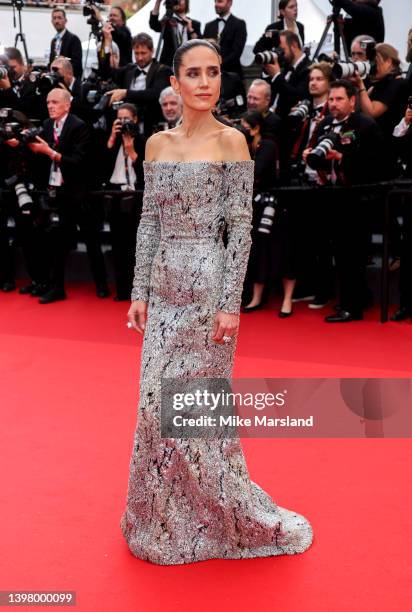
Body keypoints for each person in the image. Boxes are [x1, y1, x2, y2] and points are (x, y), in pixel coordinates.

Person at [122, 38, 313, 565]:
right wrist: (138, 292)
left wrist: (232, 303)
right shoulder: (157, 145)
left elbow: (242, 231)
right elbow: (150, 222)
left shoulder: (232, 143)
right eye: (195, 74)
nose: (206, 82)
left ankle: (215, 515)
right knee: (152, 407)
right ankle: (163, 515)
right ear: (175, 83)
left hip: (208, 292)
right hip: (163, 294)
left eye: (214, 72)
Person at [303, 79, 385, 322]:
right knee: (339, 252)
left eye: (339, 99)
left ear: (352, 101)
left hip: (358, 200)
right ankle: (356, 298)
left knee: (353, 254)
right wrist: (311, 157)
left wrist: (341, 157)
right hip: (331, 198)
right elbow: (317, 156)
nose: (334, 104)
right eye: (331, 99)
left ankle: (352, 307)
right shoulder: (326, 123)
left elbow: (378, 165)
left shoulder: (366, 125)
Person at [28, 88, 90, 303]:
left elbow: (79, 163)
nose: (50, 106)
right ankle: (44, 282)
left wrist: (50, 153)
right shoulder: (46, 125)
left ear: (67, 104)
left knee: (61, 242)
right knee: (44, 239)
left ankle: (58, 287)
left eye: (55, 102)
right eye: (48, 102)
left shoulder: (78, 126)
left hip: (71, 193)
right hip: (49, 191)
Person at [105, 103, 145, 300]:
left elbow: (148, 173)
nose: (123, 123)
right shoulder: (111, 142)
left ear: (136, 120)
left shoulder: (144, 141)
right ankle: (121, 289)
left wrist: (131, 151)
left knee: (135, 245)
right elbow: (101, 168)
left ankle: (136, 290)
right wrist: (112, 139)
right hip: (115, 194)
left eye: (127, 119)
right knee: (117, 244)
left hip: (136, 196)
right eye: (119, 119)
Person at [99, 32, 173, 137]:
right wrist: (106, 44)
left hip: (151, 127)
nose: (140, 57)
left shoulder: (163, 70)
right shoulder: (129, 69)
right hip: (128, 126)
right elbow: (106, 73)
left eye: (143, 53)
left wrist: (126, 93)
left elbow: (156, 93)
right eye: (136, 53)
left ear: (152, 51)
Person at [265, 30, 311, 118]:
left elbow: (296, 96)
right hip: (270, 115)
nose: (280, 54)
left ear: (293, 46)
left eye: (282, 50)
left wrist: (277, 76)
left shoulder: (308, 68)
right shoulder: (285, 66)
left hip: (287, 121)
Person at [150, 0, 202, 68]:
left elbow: (200, 46)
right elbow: (154, 25)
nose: (178, 1)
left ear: (186, 2)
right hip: (168, 66)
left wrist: (191, 30)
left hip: (189, 64)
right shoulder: (166, 22)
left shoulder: (195, 24)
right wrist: (158, 2)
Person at [203, 0, 247, 78]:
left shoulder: (239, 24)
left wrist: (218, 65)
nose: (216, 4)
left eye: (220, 1)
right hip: (210, 76)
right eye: (215, 2)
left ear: (229, 3)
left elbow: (236, 52)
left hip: (232, 75)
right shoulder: (208, 26)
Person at [49, 8, 83, 78]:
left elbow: (76, 62)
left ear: (65, 20)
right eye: (54, 18)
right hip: (56, 79)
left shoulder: (74, 39)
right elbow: (51, 61)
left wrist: (64, 59)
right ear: (52, 21)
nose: (56, 21)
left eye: (59, 18)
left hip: (70, 79)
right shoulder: (53, 41)